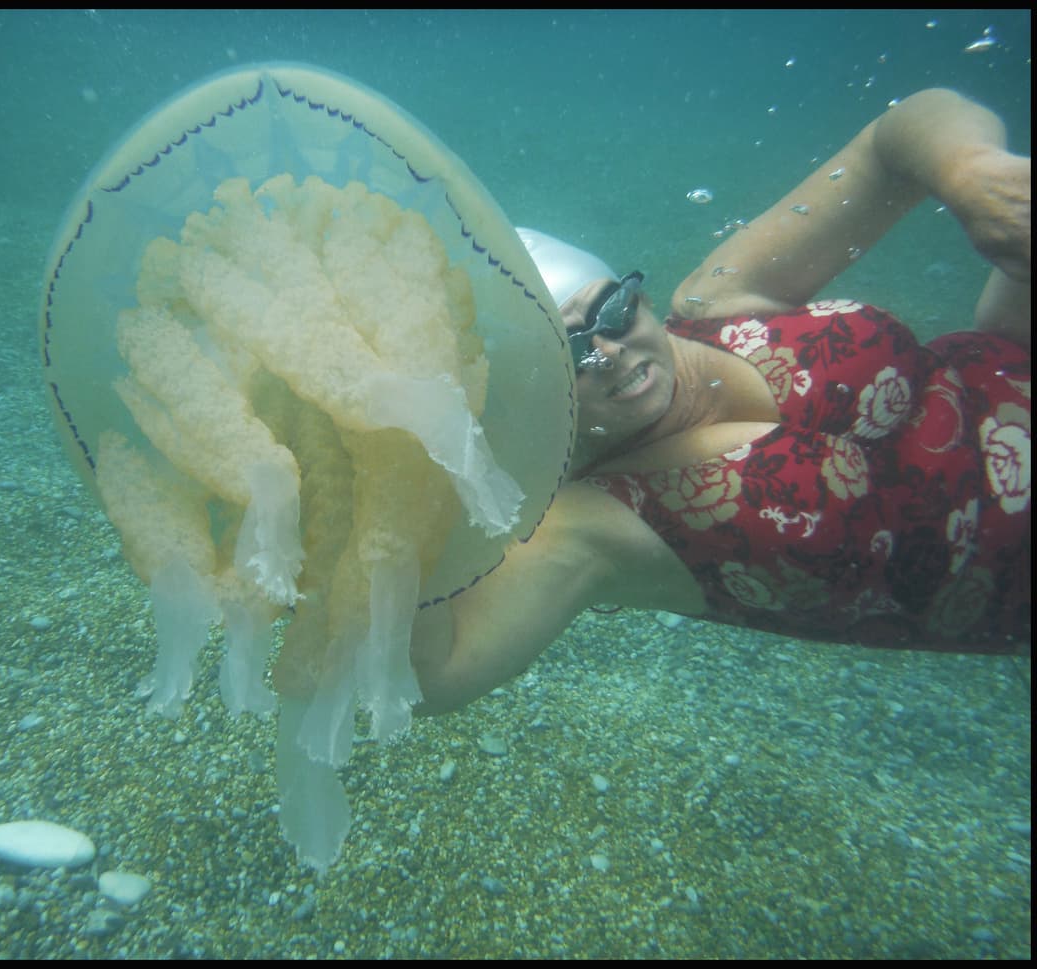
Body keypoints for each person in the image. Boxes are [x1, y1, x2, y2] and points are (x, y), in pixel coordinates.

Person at [411, 88, 1031, 715]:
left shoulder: (720, 299)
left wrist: (971, 172)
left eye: (612, 311)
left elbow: (896, 136)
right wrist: (391, 465)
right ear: (525, 394)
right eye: (566, 353)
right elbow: (438, 674)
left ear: (638, 295)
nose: (610, 352)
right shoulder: (592, 520)